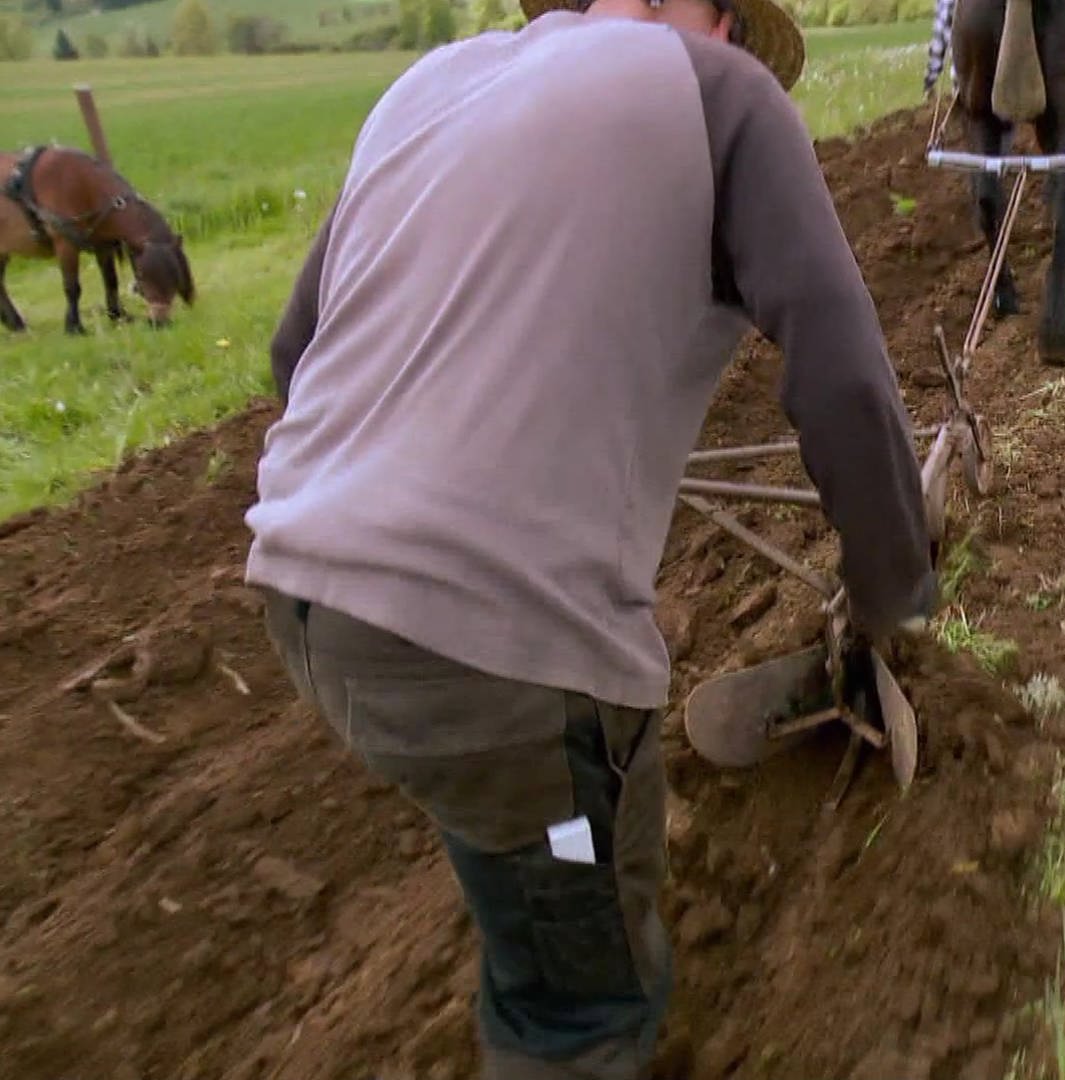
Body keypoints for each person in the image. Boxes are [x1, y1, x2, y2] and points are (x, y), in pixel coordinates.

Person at [243, 0, 938, 1076]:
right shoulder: (721, 93)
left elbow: (297, 358)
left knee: (516, 840)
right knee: (585, 993)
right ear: (701, 13)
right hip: (493, 663)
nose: (741, 53)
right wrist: (894, 594)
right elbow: (843, 375)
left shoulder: (433, 85)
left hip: (302, 593)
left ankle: (534, 905)